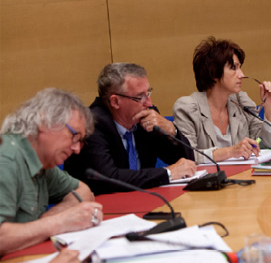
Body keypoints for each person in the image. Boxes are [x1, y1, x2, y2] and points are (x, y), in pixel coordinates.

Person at [65, 63, 197, 195]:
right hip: (102, 206)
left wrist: (171, 128)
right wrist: (168, 173)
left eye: (148, 93)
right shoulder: (92, 124)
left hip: (145, 199)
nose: (149, 103)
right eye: (140, 97)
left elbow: (187, 159)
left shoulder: (145, 117)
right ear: (115, 101)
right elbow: (110, 179)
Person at [0, 88, 103, 256]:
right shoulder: (6, 160)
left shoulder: (41, 161)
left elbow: (83, 192)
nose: (77, 149)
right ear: (44, 122)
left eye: (80, 141)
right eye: (74, 136)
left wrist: (48, 220)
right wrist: (60, 222)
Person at [173, 36, 271, 163]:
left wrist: (269, 108)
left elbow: (267, 146)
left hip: (242, 177)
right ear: (214, 73)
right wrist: (231, 151)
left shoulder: (241, 101)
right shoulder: (187, 107)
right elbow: (188, 155)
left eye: (239, 67)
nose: (241, 74)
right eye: (233, 68)